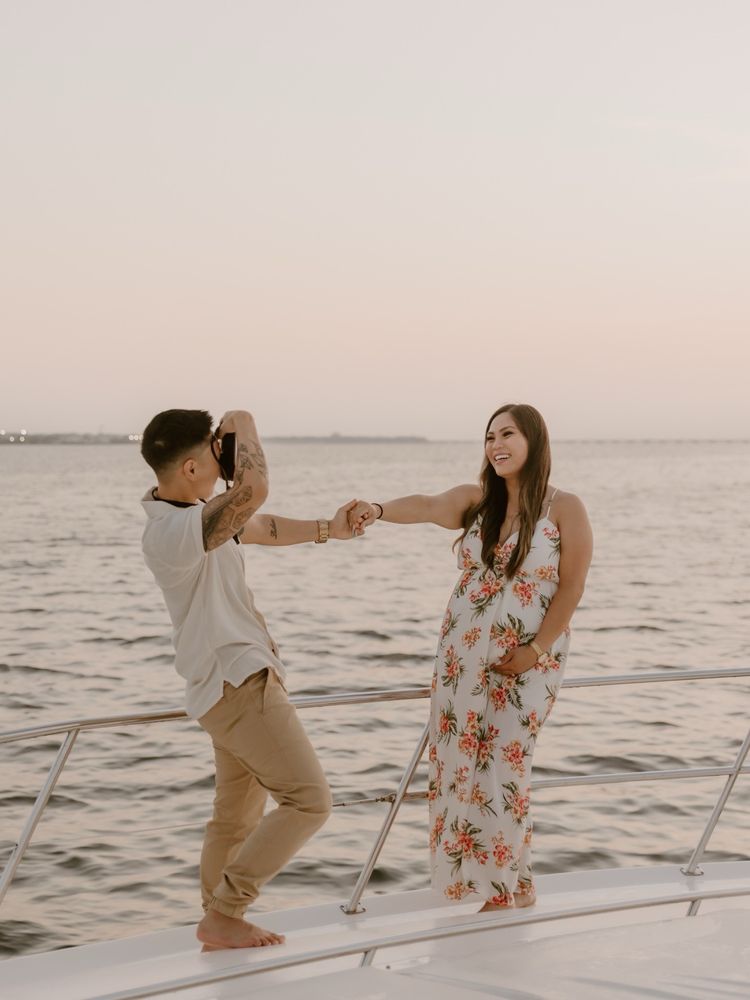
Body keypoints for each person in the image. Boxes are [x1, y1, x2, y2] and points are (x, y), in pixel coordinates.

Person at [348, 403, 592, 911]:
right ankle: (511, 884)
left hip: (529, 659)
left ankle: (501, 888)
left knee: (505, 763)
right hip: (462, 656)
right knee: (463, 762)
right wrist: (377, 508)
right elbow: (427, 505)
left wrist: (534, 650)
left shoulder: (565, 507)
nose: (496, 445)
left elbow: (572, 587)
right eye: (489, 437)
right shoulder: (478, 500)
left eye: (507, 434)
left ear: (534, 440)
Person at [140, 408, 365, 949]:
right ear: (191, 467)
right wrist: (242, 420)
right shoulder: (172, 531)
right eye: (215, 451)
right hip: (237, 683)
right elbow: (253, 493)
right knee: (310, 800)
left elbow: (259, 525)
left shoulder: (194, 516)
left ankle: (217, 921)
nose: (226, 458)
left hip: (225, 686)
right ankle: (227, 909)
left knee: (235, 818)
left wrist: (329, 530)